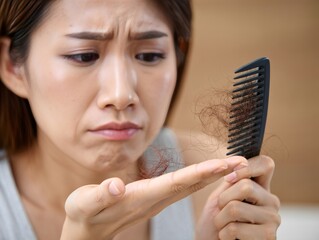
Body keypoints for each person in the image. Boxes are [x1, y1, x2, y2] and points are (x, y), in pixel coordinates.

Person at [0, 0, 281, 239]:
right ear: (12, 66)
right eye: (84, 56)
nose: (122, 95)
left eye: (149, 55)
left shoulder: (215, 186)